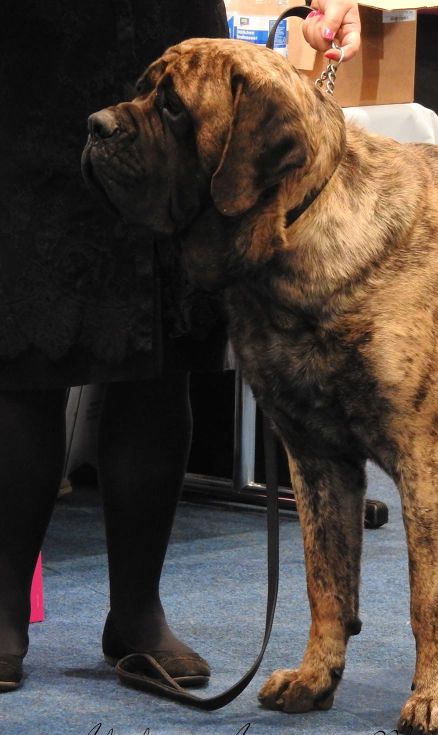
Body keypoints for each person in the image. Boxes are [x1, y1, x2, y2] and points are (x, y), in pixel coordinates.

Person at [0, 0, 361, 693]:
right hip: (31, 63)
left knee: (161, 358)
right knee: (24, 354)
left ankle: (137, 616)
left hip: (169, 51)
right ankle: (2, 610)